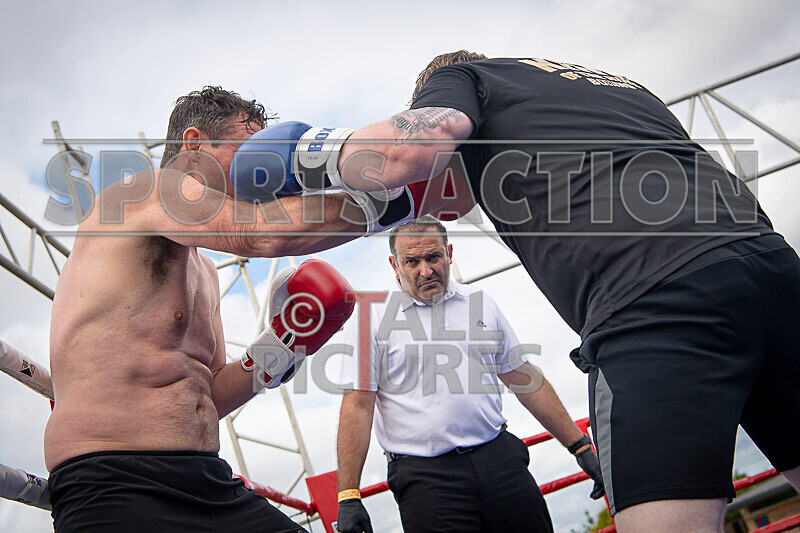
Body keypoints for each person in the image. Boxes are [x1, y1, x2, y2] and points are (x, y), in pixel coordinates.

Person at [241, 52, 800, 532]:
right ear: (395, 267)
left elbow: (416, 149)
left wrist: (305, 154)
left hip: (655, 303)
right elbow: (439, 199)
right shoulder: (609, 90)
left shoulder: (466, 78)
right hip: (771, 270)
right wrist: (349, 492)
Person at [43, 87, 375, 532]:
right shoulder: (144, 191)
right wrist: (388, 197)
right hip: (114, 480)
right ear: (195, 145)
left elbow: (211, 394)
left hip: (206, 478)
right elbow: (262, 235)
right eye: (250, 151)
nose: (264, 171)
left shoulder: (207, 271)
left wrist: (285, 345)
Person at [335, 217, 605, 533]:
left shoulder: (479, 304)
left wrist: (580, 446)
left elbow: (522, 376)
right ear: (394, 264)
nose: (425, 270)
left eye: (433, 257)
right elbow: (358, 404)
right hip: (426, 480)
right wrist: (348, 495)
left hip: (499, 460)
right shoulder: (371, 315)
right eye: (412, 261)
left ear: (449, 253)